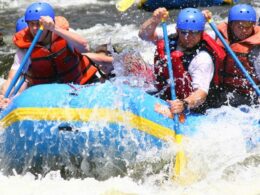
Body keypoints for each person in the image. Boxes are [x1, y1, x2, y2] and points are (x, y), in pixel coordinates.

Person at [0, 2, 115, 109]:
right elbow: (11, 79)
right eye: (31, 24)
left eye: (38, 24)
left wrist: (54, 28)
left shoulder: (64, 34)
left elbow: (85, 47)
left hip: (81, 86)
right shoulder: (24, 50)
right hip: (50, 96)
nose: (35, 28)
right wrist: (5, 97)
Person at [139, 7, 226, 115]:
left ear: (201, 32)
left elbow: (201, 93)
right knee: (129, 60)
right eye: (184, 32)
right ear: (177, 30)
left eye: (194, 33)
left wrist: (184, 104)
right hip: (168, 93)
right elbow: (143, 35)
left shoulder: (203, 58)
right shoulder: (170, 36)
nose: (187, 37)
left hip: (195, 107)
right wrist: (154, 20)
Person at [204, 4, 260, 107]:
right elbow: (197, 39)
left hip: (247, 95)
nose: (244, 30)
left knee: (221, 100)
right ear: (231, 25)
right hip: (221, 87)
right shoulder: (219, 34)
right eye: (240, 26)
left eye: (248, 26)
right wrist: (202, 21)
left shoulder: (256, 50)